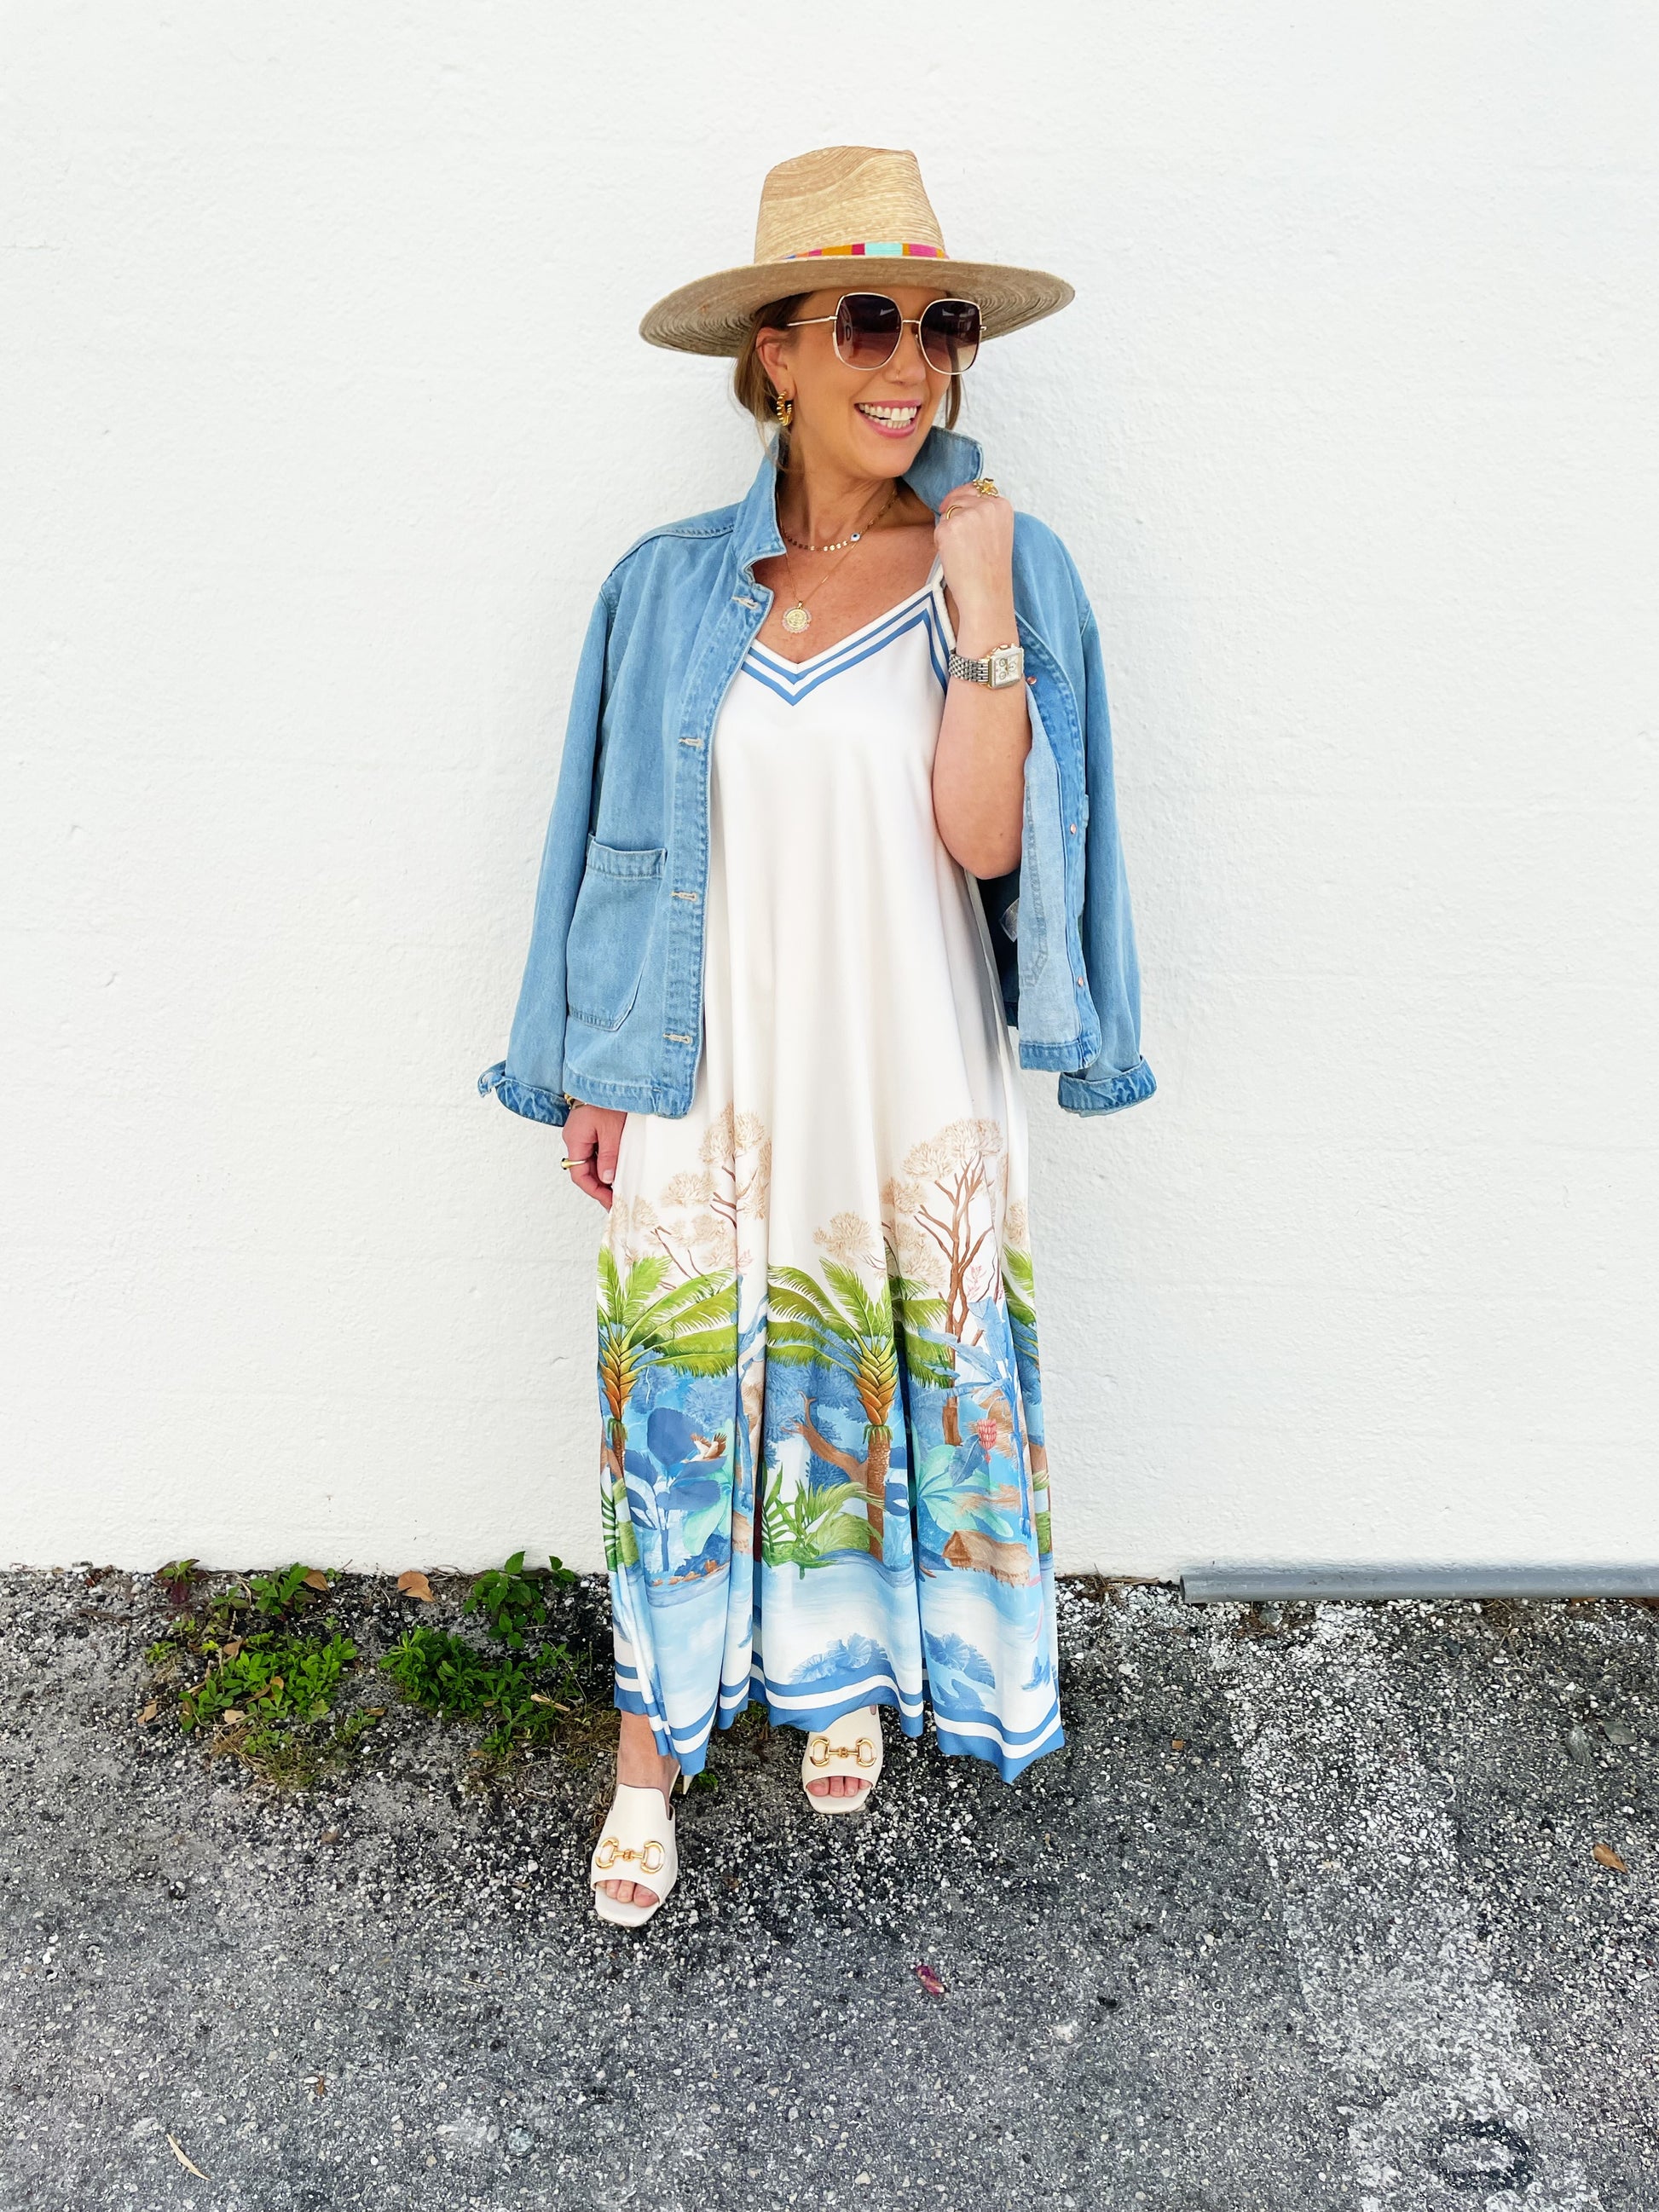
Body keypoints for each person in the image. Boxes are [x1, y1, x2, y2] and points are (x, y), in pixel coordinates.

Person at [479, 145, 1155, 1926]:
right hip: (705, 1058)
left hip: (908, 1058)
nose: (909, 360)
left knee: (872, 1361)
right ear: (773, 353)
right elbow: (596, 842)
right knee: (686, 1389)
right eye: (865, 321)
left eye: (940, 328)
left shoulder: (1002, 566)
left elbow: (987, 845)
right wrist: (590, 1063)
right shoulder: (660, 587)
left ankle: (839, 1672)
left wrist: (983, 603)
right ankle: (647, 1753)